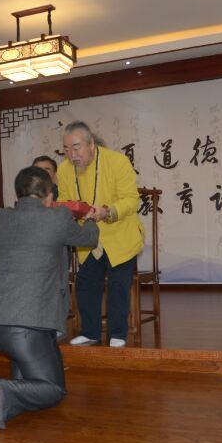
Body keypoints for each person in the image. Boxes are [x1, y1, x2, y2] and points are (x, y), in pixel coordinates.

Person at [0, 166, 98, 429]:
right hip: (26, 327)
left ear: (17, 194)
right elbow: (89, 238)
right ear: (49, 196)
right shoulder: (57, 217)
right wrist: (92, 217)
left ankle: (8, 404)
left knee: (26, 367)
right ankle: (7, 390)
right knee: (53, 389)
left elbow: (27, 232)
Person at [58, 121, 143, 348]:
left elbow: (131, 200)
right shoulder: (64, 169)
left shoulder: (117, 161)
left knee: (118, 285)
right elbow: (64, 200)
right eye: (66, 149)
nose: (72, 155)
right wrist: (72, 210)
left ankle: (118, 333)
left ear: (91, 144)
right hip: (89, 239)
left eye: (76, 147)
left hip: (120, 234)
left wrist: (107, 211)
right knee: (85, 283)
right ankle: (90, 332)